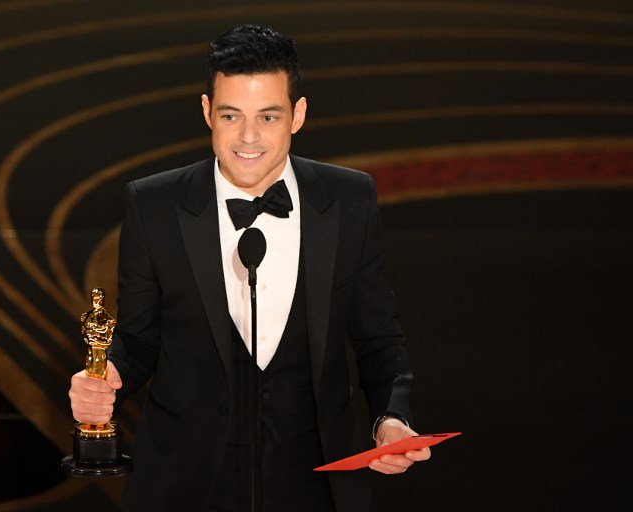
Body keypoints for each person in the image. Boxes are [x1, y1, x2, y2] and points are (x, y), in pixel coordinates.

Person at [68, 24, 430, 511]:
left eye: (268, 116)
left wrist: (390, 418)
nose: (248, 137)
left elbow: (378, 336)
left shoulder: (349, 199)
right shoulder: (153, 205)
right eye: (231, 115)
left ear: (298, 115)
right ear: (207, 112)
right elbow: (138, 338)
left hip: (318, 484)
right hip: (186, 484)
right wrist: (104, 375)